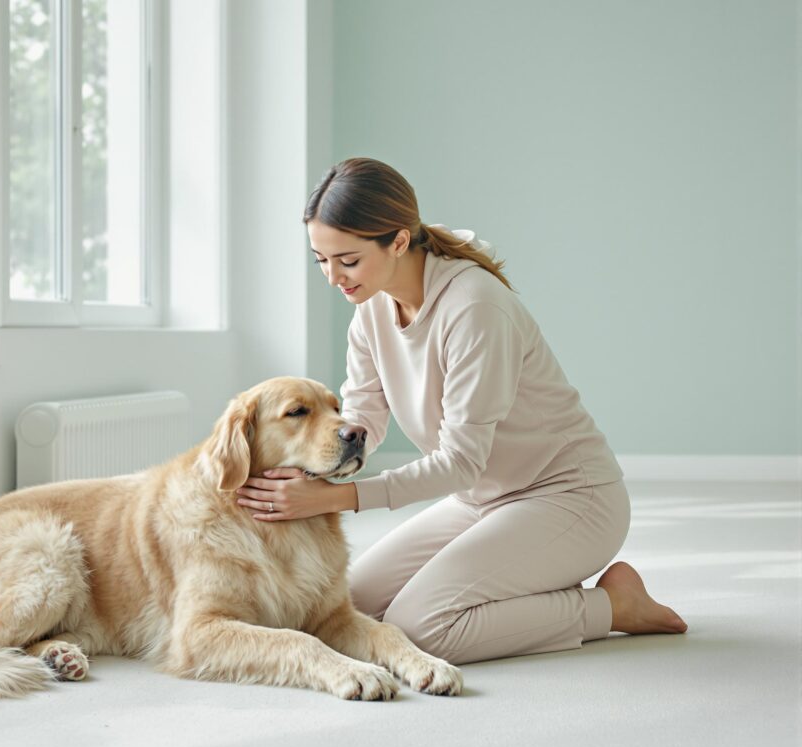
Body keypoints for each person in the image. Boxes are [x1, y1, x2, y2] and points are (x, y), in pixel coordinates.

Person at [235, 157, 687, 666]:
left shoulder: (474, 308)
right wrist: (313, 462)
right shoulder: (371, 311)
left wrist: (336, 500)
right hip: (480, 502)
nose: (333, 277)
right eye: (321, 259)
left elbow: (461, 462)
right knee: (347, 607)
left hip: (569, 497)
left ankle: (612, 606)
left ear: (399, 241)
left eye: (348, 260)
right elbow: (363, 417)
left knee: (423, 627)